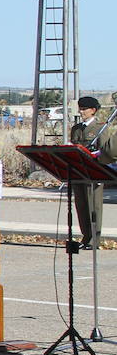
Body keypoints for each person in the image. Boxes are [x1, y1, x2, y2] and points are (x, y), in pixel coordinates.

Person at [71, 96, 110, 249]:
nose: (81, 112)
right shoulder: (76, 129)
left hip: (93, 174)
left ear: (93, 110)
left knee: (94, 207)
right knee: (81, 206)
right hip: (78, 173)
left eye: (84, 109)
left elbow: (105, 152)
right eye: (80, 108)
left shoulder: (100, 128)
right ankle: (85, 237)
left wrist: (101, 173)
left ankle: (94, 239)